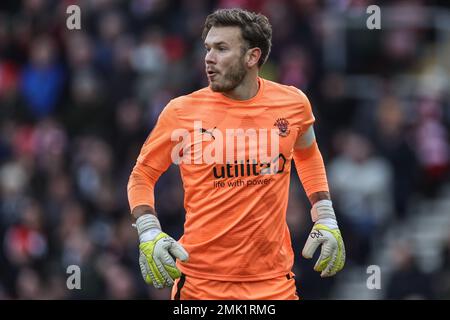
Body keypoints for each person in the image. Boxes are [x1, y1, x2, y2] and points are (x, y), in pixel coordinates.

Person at [127, 8, 345, 300]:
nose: (208, 57)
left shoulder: (293, 104)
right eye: (207, 48)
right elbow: (143, 174)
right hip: (201, 285)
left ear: (252, 57)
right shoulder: (181, 112)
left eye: (221, 48)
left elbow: (307, 155)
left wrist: (326, 216)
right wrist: (148, 229)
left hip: (274, 284)